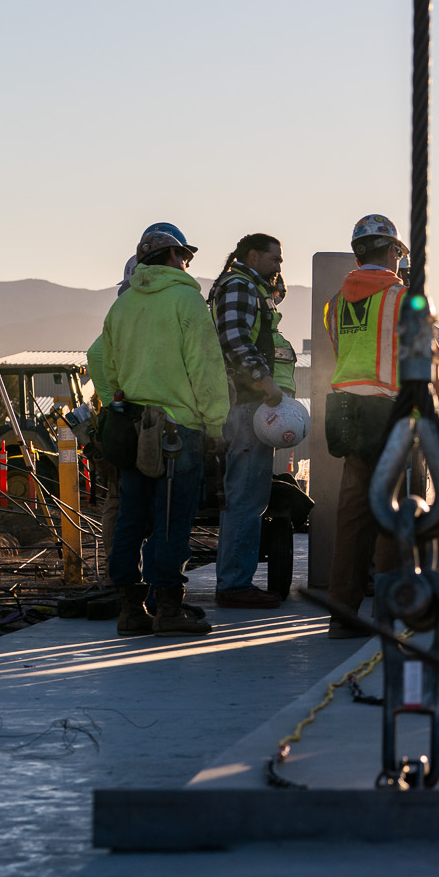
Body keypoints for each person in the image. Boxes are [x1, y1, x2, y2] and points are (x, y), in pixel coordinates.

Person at [87, 222, 229, 637]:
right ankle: (168, 608)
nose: (186, 263)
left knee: (131, 518)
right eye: (185, 256)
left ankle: (131, 611)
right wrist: (215, 422)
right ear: (172, 256)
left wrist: (121, 403)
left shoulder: (122, 306)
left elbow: (107, 367)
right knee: (170, 521)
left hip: (132, 430)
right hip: (176, 431)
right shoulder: (186, 299)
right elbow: (204, 367)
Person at [318, 214, 413, 638]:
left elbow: (342, 350)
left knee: (352, 516)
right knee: (388, 513)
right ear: (392, 251)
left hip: (346, 411)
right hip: (388, 411)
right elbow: (425, 361)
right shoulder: (401, 298)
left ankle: (342, 613)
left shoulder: (336, 303)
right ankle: (388, 613)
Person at [207, 233, 287, 610]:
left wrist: (272, 280)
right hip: (246, 405)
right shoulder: (239, 286)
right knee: (246, 497)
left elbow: (273, 299)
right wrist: (264, 382)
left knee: (248, 495)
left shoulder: (248, 285)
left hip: (248, 405)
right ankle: (236, 584)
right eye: (275, 259)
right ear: (252, 255)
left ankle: (235, 580)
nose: (279, 266)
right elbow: (236, 340)